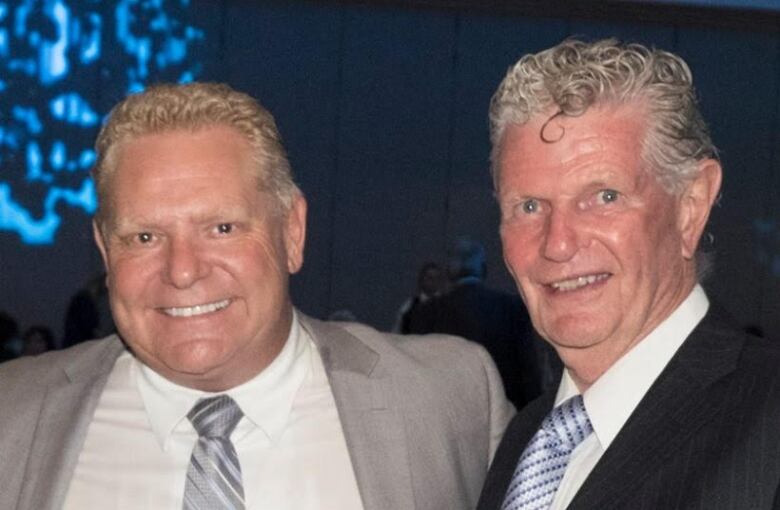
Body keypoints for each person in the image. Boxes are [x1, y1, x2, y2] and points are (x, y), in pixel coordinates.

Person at [0, 82, 513, 510]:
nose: (182, 271)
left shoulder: (449, 396)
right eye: (144, 237)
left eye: (221, 227)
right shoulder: (13, 412)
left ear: (292, 232)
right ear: (104, 251)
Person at [477, 39, 780, 510]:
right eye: (530, 206)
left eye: (604, 197)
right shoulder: (526, 440)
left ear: (690, 207)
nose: (557, 242)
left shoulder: (768, 421)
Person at [408, 237, 544, 409]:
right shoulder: (512, 308)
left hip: (446, 414)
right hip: (502, 413)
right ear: (484, 269)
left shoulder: (427, 312)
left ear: (449, 271)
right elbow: (528, 374)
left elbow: (417, 373)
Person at [392, 261, 446, 333]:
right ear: (421, 279)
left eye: (436, 278)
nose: (433, 281)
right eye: (429, 277)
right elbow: (397, 331)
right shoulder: (409, 306)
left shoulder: (446, 307)